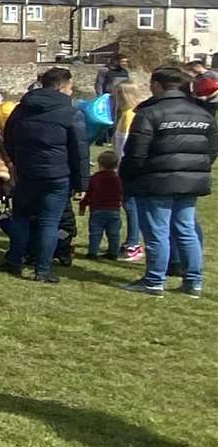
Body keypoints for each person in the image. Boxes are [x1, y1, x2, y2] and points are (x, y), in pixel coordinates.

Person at [118, 66, 212, 296]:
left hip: (154, 180)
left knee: (157, 232)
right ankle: (193, 282)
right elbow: (211, 150)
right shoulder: (203, 114)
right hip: (189, 180)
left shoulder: (149, 113)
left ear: (158, 85)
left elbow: (136, 153)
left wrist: (128, 177)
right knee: (186, 230)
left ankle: (153, 280)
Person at [0, 67, 88, 283]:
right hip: (57, 173)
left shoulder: (22, 108)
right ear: (63, 87)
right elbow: (80, 151)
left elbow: (9, 137)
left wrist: (17, 162)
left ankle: (14, 260)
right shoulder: (72, 113)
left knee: (21, 217)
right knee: (49, 221)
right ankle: (43, 269)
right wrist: (81, 183)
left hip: (27, 170)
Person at [110, 80, 148, 260]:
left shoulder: (129, 116)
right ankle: (131, 241)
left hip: (127, 168)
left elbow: (125, 146)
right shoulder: (128, 114)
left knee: (131, 206)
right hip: (123, 166)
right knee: (129, 205)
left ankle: (133, 243)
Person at [82, 151, 125, 258]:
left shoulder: (94, 178)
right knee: (114, 234)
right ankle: (113, 253)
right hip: (113, 210)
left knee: (95, 233)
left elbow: (88, 194)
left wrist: (83, 206)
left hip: (97, 210)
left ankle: (92, 252)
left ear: (99, 164)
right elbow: (121, 193)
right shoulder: (117, 179)